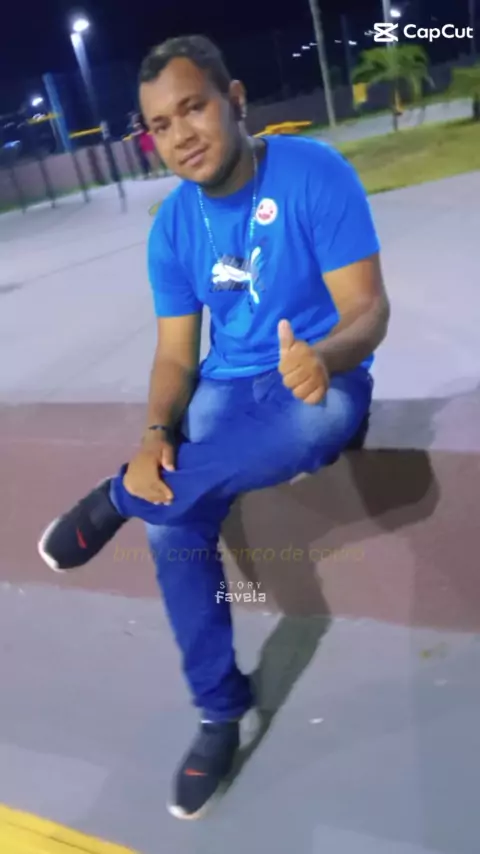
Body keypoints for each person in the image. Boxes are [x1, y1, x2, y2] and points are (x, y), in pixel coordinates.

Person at [37, 35, 390, 820]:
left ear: (233, 101)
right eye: (160, 125)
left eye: (192, 108)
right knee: (172, 515)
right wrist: (153, 436)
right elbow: (174, 355)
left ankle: (115, 500)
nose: (180, 136)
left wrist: (326, 357)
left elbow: (369, 309)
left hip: (321, 372)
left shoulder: (314, 172)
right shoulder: (172, 226)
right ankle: (219, 711)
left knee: (312, 425)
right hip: (227, 384)